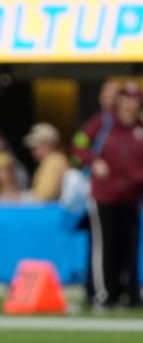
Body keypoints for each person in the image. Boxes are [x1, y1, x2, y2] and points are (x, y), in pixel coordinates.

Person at [71, 82, 143, 310]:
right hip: (104, 195)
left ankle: (129, 293)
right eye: (125, 98)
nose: (129, 104)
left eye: (134, 99)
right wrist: (93, 161)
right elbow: (78, 145)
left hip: (132, 196)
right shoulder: (103, 123)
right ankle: (102, 295)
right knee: (104, 247)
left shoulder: (139, 129)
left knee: (128, 247)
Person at [23, 122, 68, 202]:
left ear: (48, 144)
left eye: (36, 146)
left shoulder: (55, 161)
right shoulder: (49, 161)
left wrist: (21, 198)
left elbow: (46, 195)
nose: (33, 150)